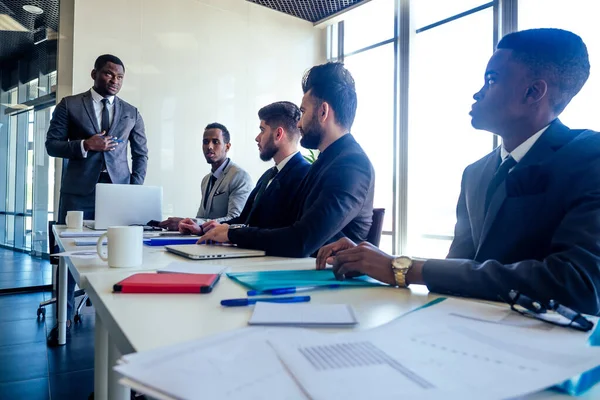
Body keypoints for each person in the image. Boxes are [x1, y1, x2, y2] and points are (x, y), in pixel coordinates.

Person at [317, 28, 600, 316]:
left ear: (533, 92)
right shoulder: (475, 173)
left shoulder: (590, 156)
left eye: (492, 80)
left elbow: (579, 284)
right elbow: (460, 267)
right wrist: (368, 260)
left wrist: (400, 268)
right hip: (462, 332)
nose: (478, 93)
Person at [199, 62, 375, 258]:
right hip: (302, 270)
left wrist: (233, 234)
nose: (299, 123)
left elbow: (301, 240)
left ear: (323, 112)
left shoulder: (351, 166)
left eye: (303, 112)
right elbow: (285, 226)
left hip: (328, 280)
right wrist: (226, 231)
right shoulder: (325, 162)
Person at [45, 54, 148, 341]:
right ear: (94, 74)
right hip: (79, 193)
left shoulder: (131, 112)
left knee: (122, 254)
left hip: (119, 194)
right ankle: (63, 319)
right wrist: (84, 145)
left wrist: (133, 188)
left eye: (119, 77)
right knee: (67, 254)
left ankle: (121, 315)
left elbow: (140, 154)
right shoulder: (70, 105)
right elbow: (52, 145)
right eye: (108, 74)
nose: (114, 80)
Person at [182, 101, 310, 235]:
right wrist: (203, 228)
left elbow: (287, 233)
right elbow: (244, 220)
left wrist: (232, 234)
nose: (257, 138)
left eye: (262, 130)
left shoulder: (306, 175)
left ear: (278, 134)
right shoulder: (268, 175)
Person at [160, 123, 252, 231]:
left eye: (215, 142)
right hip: (206, 241)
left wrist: (188, 221)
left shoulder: (239, 176)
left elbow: (236, 219)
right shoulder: (206, 180)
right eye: (205, 142)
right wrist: (185, 225)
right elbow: (202, 218)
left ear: (227, 147)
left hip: (226, 244)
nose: (209, 146)